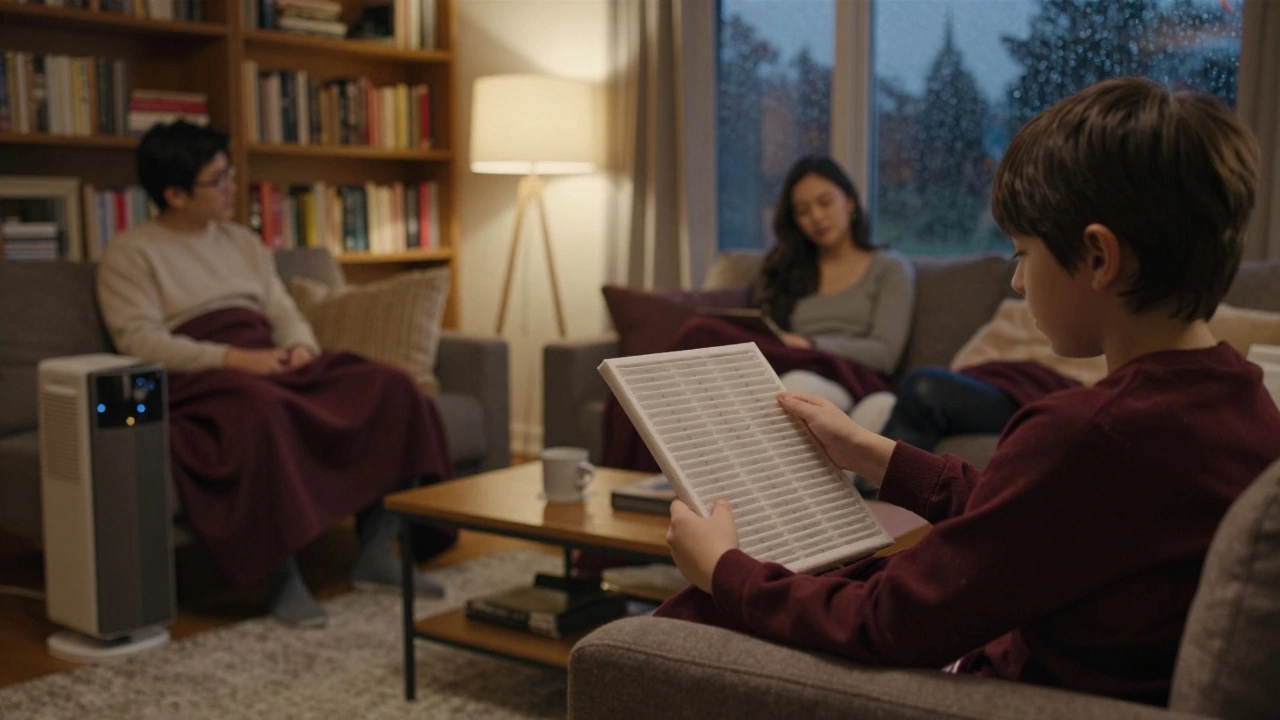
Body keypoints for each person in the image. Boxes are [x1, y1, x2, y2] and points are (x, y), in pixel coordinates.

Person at [655, 77, 1280, 706]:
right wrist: (873, 451)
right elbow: (1037, 516)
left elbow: (887, 621)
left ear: (1098, 257)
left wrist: (725, 571)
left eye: (1023, 253)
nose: (1015, 282)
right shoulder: (1244, 401)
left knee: (683, 623)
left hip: (995, 692)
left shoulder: (1090, 430)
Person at [96, 121, 452, 629]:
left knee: (387, 384)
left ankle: (376, 551)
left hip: (268, 358)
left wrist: (300, 347)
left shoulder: (241, 241)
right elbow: (140, 341)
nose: (230, 189)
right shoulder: (130, 254)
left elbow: (281, 309)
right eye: (216, 180)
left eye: (229, 174)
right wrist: (236, 360)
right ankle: (281, 575)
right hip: (203, 375)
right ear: (174, 194)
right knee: (259, 412)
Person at [602, 155, 915, 472]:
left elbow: (885, 353)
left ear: (849, 201)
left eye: (825, 202)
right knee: (710, 346)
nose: (816, 217)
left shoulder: (889, 268)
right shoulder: (790, 269)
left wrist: (810, 345)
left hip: (853, 375)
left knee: (791, 388)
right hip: (792, 361)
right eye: (803, 211)